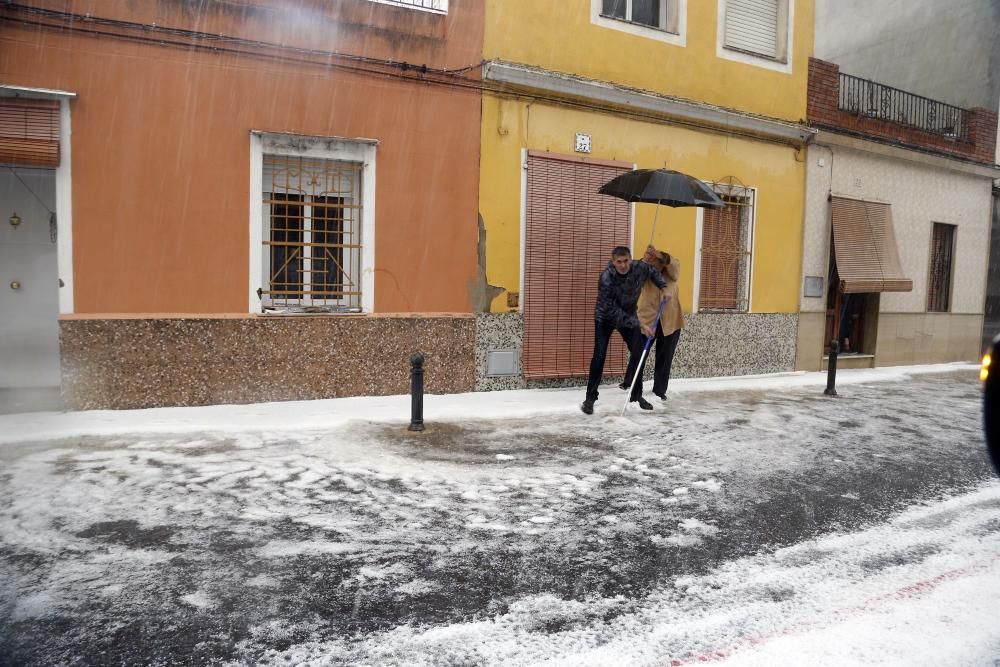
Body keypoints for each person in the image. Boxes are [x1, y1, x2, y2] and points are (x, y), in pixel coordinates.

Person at [582, 246, 668, 415]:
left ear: (630, 259)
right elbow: (612, 310)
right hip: (605, 317)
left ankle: (636, 396)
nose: (623, 265)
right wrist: (640, 324)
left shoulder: (638, 267)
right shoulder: (606, 277)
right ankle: (590, 398)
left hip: (628, 314)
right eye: (619, 262)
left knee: (638, 353)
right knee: (599, 356)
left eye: (626, 261)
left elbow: (652, 271)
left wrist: (663, 287)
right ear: (613, 262)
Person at [629, 246, 683, 401]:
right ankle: (632, 387)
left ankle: (659, 390)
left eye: (657, 263)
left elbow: (674, 266)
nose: (655, 266)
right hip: (648, 319)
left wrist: (659, 254)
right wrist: (645, 259)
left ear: (662, 263)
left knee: (665, 357)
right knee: (638, 355)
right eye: (652, 263)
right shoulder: (646, 273)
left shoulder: (671, 272)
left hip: (670, 321)